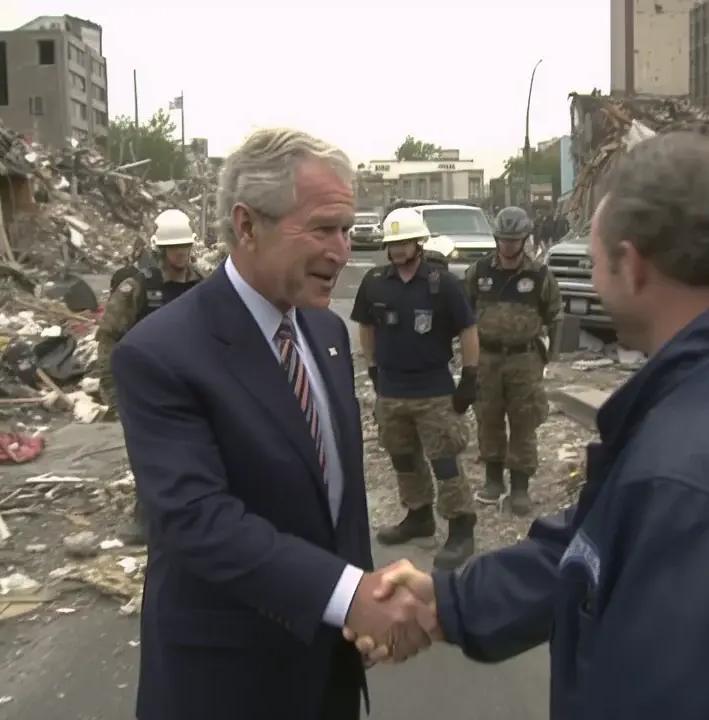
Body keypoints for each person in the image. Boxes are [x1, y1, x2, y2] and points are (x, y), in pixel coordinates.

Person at [348, 133, 709, 720]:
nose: (589, 275)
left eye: (594, 260)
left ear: (632, 263)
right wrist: (447, 601)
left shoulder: (701, 473)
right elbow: (593, 548)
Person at [111, 128, 434, 720]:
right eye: (322, 228)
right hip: (226, 684)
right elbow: (197, 521)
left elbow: (339, 498)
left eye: (346, 229)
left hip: (329, 668)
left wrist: (364, 602)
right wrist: (347, 595)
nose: (342, 250)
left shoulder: (327, 332)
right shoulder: (159, 353)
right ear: (247, 225)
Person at [351, 207, 481, 570]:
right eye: (392, 243)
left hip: (434, 390)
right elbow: (365, 326)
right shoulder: (376, 281)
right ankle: (419, 515)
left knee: (444, 461)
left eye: (404, 242)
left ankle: (460, 526)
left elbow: (469, 329)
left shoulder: (442, 283)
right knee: (402, 457)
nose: (397, 250)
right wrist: (373, 366)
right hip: (392, 390)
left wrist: (470, 377)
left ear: (418, 243)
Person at [96, 208, 206, 544]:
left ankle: (192, 514)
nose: (181, 254)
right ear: (161, 249)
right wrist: (111, 387)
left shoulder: (200, 283)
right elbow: (109, 335)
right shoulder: (138, 286)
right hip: (145, 387)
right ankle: (145, 518)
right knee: (147, 454)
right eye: (175, 249)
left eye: (185, 247)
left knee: (194, 452)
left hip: (187, 384)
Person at [465, 206, 561, 515]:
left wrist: (548, 357)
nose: (508, 245)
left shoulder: (539, 275)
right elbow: (464, 315)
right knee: (488, 419)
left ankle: (520, 488)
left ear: (524, 240)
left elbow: (554, 315)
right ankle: (493, 482)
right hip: (487, 359)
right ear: (496, 240)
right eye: (503, 239)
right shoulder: (478, 273)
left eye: (514, 239)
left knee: (524, 421)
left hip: (524, 360)